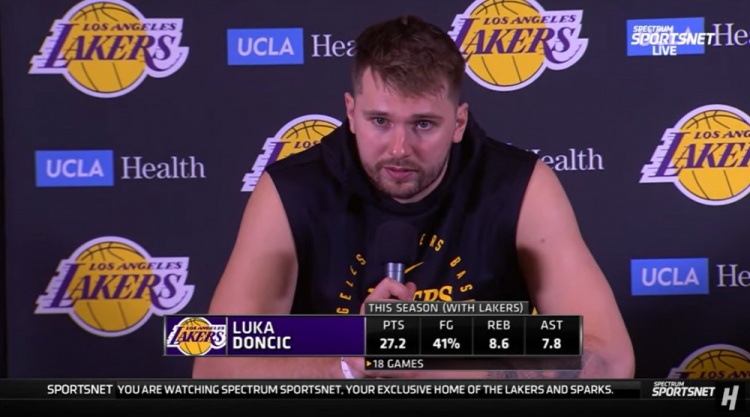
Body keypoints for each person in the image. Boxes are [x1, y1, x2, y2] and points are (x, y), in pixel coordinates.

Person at [193, 15, 635, 379]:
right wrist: (347, 364)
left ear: (458, 122)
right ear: (351, 113)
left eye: (423, 124)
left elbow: (609, 361)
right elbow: (212, 366)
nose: (399, 149)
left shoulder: (521, 186)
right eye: (380, 121)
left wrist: (426, 365)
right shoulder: (291, 192)